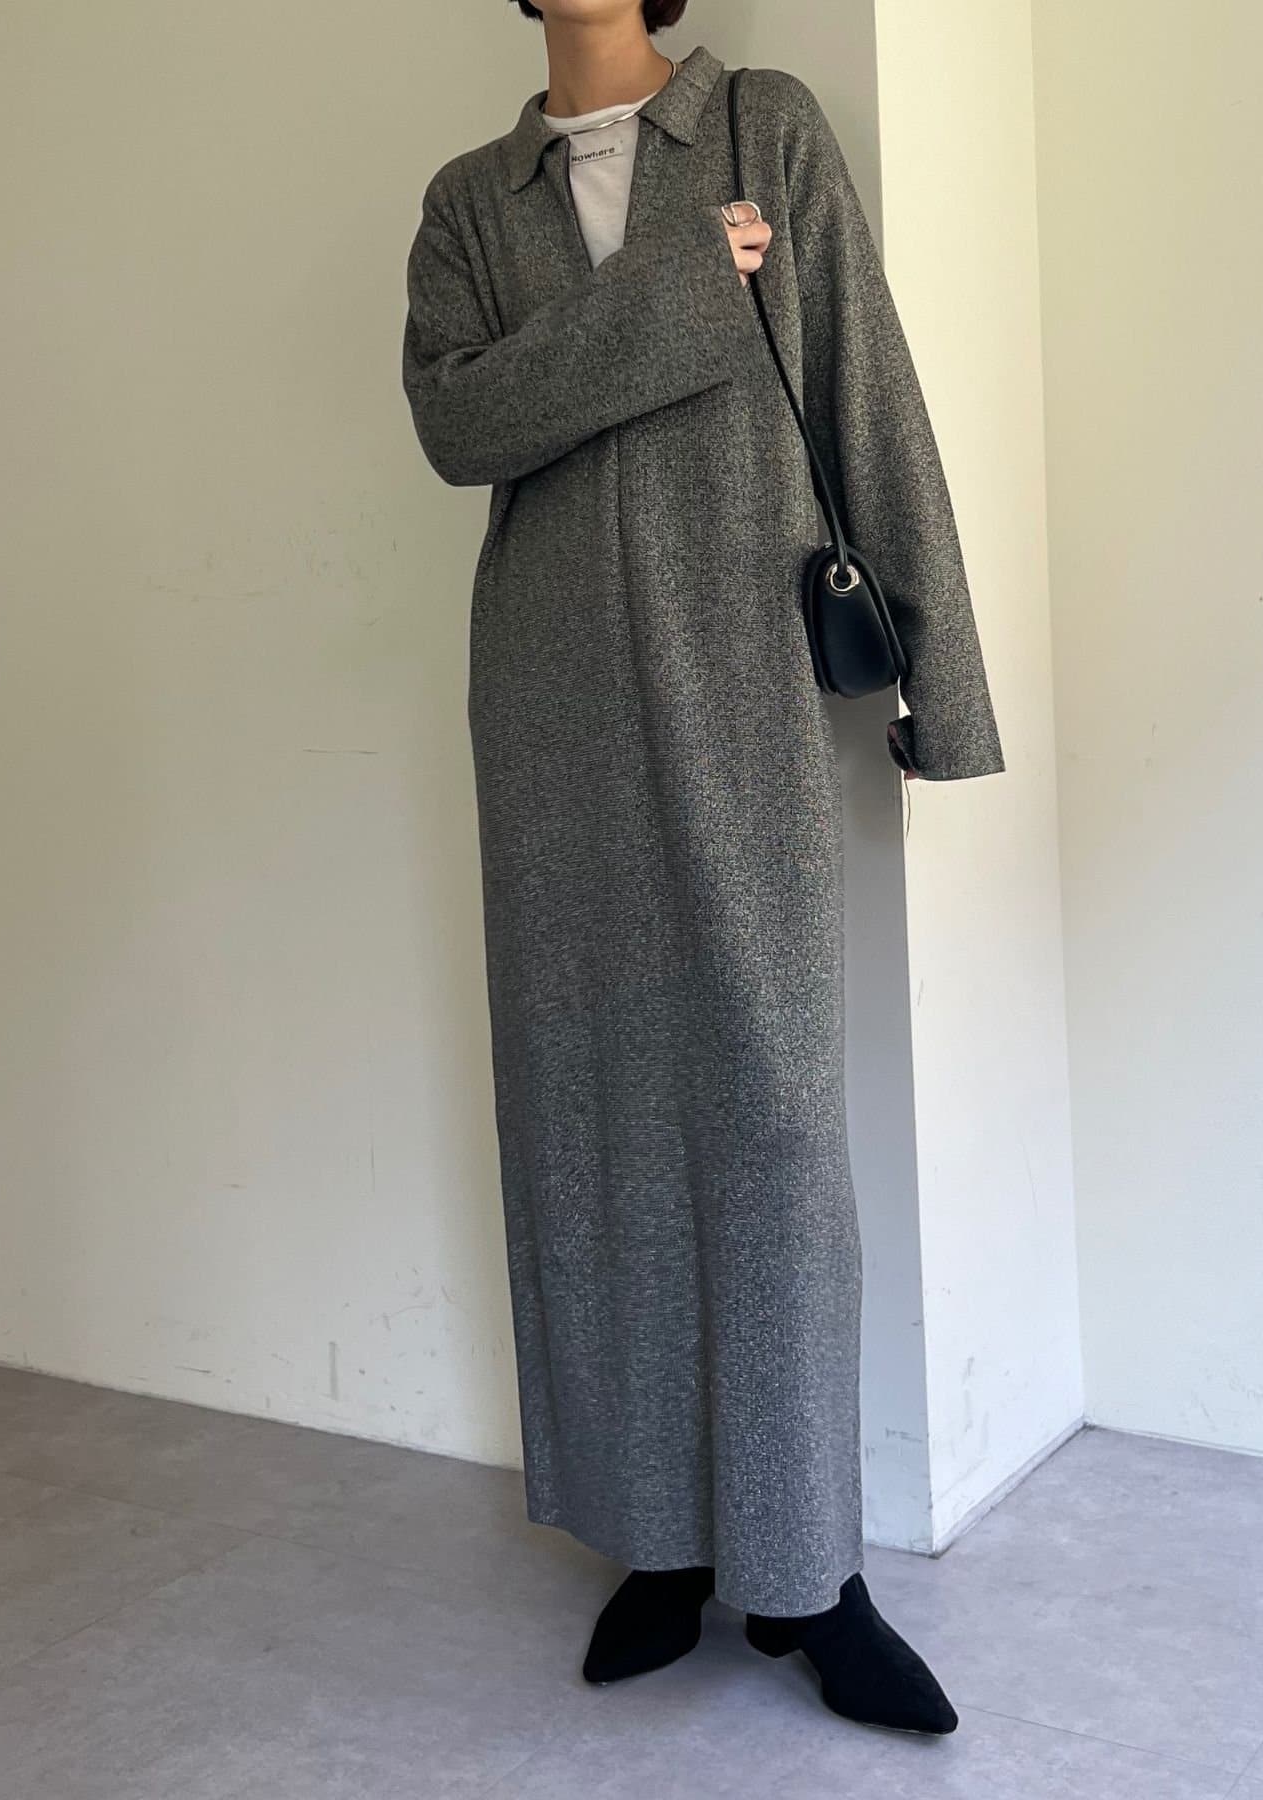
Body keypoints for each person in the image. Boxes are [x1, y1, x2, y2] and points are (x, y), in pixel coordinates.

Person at [400, 0, 1004, 1737]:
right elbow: (458, 426)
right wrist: (678, 295)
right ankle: (654, 1538)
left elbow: (864, 387)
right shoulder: (470, 200)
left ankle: (809, 1575)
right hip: (550, 707)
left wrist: (947, 687)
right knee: (590, 1122)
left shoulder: (763, 128)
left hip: (739, 681)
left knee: (773, 1121)